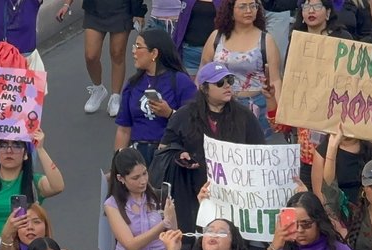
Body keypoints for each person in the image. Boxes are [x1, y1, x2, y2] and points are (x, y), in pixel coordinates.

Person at [160, 61, 264, 235]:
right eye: (220, 83)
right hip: (193, 194)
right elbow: (164, 149)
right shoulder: (184, 116)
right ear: (204, 88)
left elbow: (260, 152)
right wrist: (180, 155)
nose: (227, 86)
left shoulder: (244, 116)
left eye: (229, 80)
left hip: (234, 197)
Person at [114, 28, 198, 165]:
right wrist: (118, 163)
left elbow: (195, 122)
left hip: (168, 154)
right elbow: (124, 129)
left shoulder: (180, 81)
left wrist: (170, 114)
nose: (133, 51)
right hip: (138, 155)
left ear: (154, 53)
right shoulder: (132, 84)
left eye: (138, 47)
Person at [58, 0, 134, 116]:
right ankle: (98, 89)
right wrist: (66, 4)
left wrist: (139, 12)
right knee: (90, 56)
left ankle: (115, 96)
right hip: (94, 10)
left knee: (117, 53)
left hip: (121, 9)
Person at [104, 149, 174, 250]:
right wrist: (163, 224)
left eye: (145, 173)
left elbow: (174, 235)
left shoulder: (159, 196)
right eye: (135, 178)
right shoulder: (112, 204)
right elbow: (131, 245)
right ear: (121, 178)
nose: (143, 181)